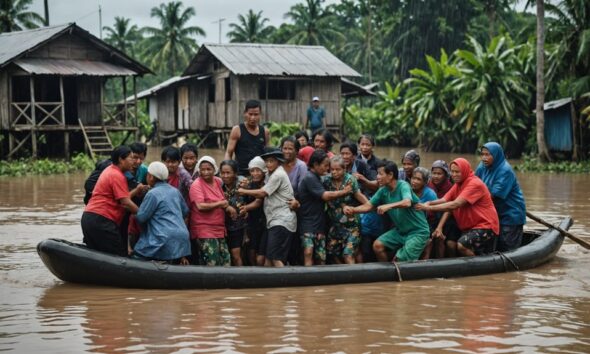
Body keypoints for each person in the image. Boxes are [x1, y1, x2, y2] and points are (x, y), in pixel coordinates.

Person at [344, 161, 430, 262]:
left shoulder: (403, 185)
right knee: (378, 246)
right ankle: (386, 272)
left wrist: (388, 206)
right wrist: (353, 209)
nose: (377, 177)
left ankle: (422, 246)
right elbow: (368, 206)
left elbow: (407, 202)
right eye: (377, 174)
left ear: (390, 175)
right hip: (401, 231)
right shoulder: (383, 190)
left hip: (418, 232)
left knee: (401, 260)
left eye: (380, 174)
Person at [416, 158, 500, 257]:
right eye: (452, 172)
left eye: (457, 172)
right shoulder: (458, 184)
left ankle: (477, 266)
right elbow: (445, 199)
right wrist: (429, 203)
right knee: (453, 244)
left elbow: (455, 204)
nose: (454, 175)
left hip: (486, 226)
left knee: (461, 245)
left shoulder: (474, 183)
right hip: (470, 227)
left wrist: (428, 208)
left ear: (464, 171)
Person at [238, 148, 297, 267]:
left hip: (281, 221)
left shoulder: (278, 175)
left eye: (272, 161)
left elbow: (262, 194)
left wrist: (243, 191)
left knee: (275, 258)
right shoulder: (270, 175)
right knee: (267, 261)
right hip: (274, 221)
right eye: (267, 161)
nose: (269, 164)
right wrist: (246, 185)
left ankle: (286, 283)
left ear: (278, 162)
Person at [81, 146, 140, 256]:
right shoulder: (117, 175)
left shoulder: (110, 170)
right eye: (131, 158)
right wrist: (143, 214)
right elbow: (125, 202)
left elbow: (123, 197)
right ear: (121, 160)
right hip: (102, 221)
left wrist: (137, 190)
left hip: (89, 217)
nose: (134, 161)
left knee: (98, 255)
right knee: (119, 255)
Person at [298, 150, 353, 266]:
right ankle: (308, 280)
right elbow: (326, 196)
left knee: (321, 256)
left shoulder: (320, 177)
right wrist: (344, 191)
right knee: (308, 252)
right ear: (316, 165)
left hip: (319, 224)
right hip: (308, 223)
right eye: (325, 165)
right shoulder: (309, 177)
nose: (328, 169)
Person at [132, 162, 191, 264]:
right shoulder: (175, 191)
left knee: (137, 254)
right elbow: (185, 212)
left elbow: (141, 217)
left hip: (163, 237)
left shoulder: (152, 194)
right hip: (182, 237)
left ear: (150, 177)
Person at [475, 142, 526, 252]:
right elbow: (473, 184)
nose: (484, 158)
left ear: (496, 155)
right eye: (482, 154)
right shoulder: (481, 167)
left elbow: (493, 196)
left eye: (488, 155)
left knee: (507, 249)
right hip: (493, 214)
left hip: (510, 214)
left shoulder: (505, 171)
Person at [324, 156, 369, 264]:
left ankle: (357, 278)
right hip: (335, 225)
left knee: (348, 253)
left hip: (351, 225)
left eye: (338, 169)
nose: (334, 172)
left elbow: (358, 195)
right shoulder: (327, 180)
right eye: (332, 169)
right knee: (331, 251)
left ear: (344, 169)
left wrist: (369, 205)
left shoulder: (350, 180)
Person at [188, 156, 230, 266]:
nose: (205, 172)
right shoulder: (196, 185)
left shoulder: (218, 182)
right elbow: (200, 206)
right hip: (204, 229)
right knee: (212, 262)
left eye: (208, 169)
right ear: (199, 170)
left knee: (226, 262)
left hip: (219, 229)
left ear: (214, 170)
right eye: (203, 169)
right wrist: (220, 204)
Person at [225, 99, 270, 176]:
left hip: (259, 174)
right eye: (250, 114)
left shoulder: (265, 131)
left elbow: (268, 154)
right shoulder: (237, 130)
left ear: (260, 115)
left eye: (256, 114)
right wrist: (227, 170)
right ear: (245, 113)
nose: (253, 117)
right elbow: (229, 153)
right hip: (241, 173)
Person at [428, 160, 461, 258]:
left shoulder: (451, 187)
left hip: (449, 221)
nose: (436, 176)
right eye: (434, 173)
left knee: (450, 244)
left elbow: (449, 209)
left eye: (439, 174)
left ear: (445, 175)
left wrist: (440, 227)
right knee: (432, 240)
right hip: (432, 220)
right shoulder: (428, 186)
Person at [239, 156, 268, 266]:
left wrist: (245, 208)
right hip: (252, 224)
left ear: (263, 171)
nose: (255, 173)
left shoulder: (267, 183)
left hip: (265, 224)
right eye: (252, 170)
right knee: (251, 252)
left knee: (261, 256)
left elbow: (259, 201)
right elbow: (242, 199)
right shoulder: (248, 184)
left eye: (258, 170)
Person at [220, 160, 248, 266]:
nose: (225, 176)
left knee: (236, 255)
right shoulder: (218, 184)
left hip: (238, 226)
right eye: (223, 173)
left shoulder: (242, 184)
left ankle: (240, 280)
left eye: (228, 173)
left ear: (235, 173)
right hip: (221, 226)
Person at [410, 167, 438, 259]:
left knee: (427, 242)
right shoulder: (407, 191)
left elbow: (437, 212)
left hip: (426, 223)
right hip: (410, 223)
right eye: (413, 178)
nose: (414, 181)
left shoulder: (430, 194)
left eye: (418, 179)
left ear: (425, 182)